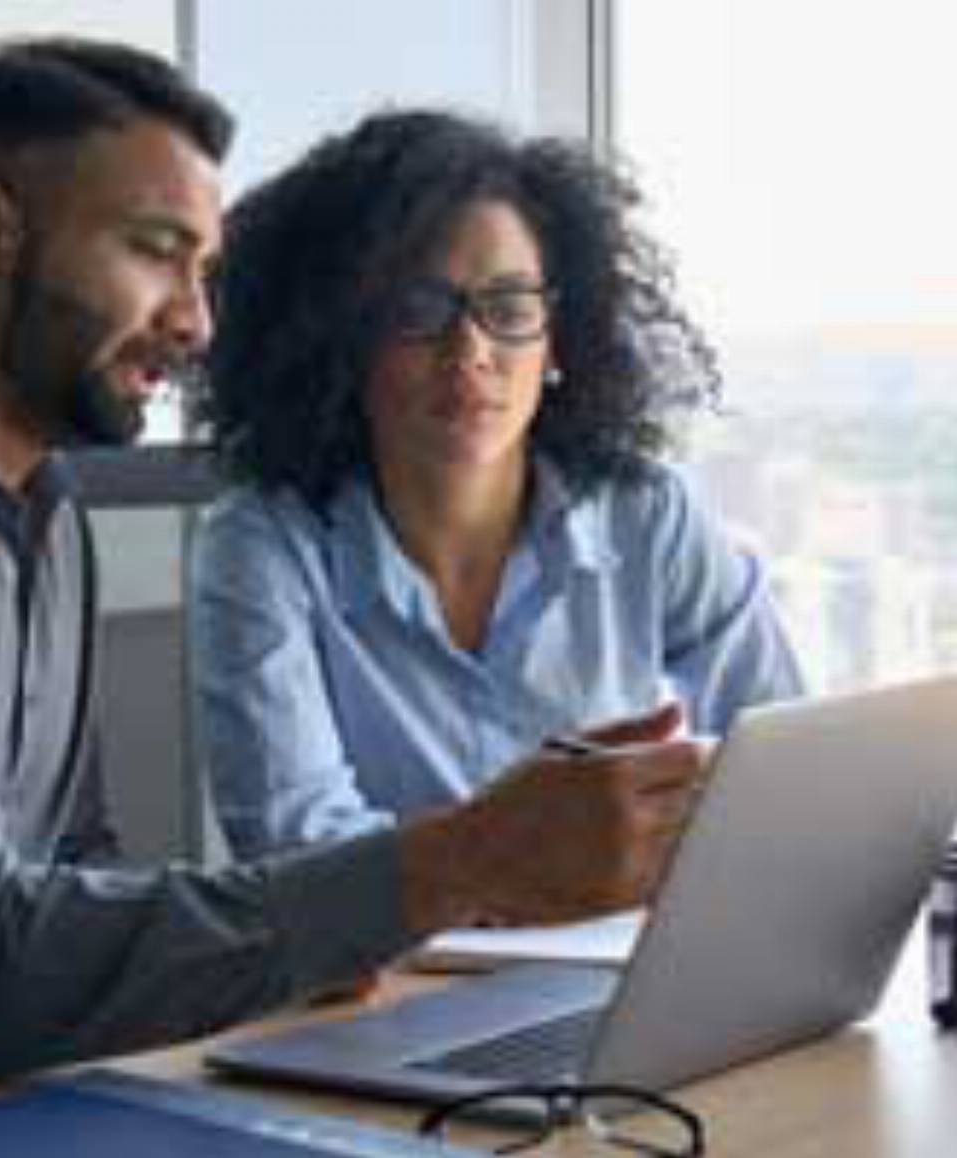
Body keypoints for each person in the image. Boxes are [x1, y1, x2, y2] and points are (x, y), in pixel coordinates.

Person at [0, 37, 705, 1080]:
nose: (195, 324)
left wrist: (292, 940)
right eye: (154, 251)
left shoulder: (42, 506)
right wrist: (461, 862)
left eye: (207, 273)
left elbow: (78, 877)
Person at [193, 108, 802, 859]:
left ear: (556, 339)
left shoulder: (648, 513)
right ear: (342, 338)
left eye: (510, 309)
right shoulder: (262, 546)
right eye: (419, 310)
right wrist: (533, 857)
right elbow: (298, 854)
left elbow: (784, 755)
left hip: (629, 958)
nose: (471, 351)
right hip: (391, 976)